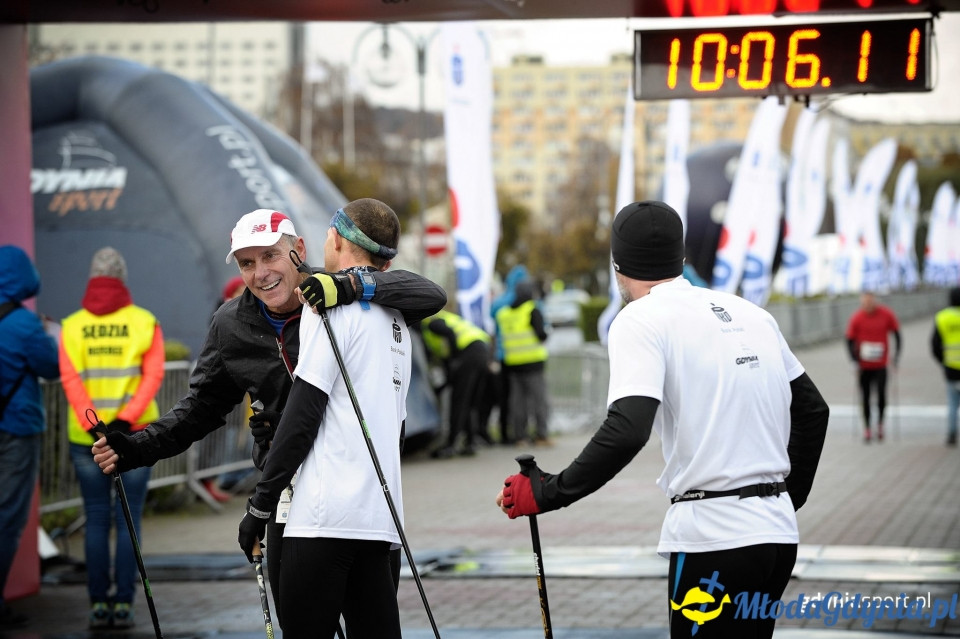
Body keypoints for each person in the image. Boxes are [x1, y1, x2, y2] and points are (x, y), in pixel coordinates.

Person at [92, 207, 446, 627]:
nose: (261, 273)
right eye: (247, 263)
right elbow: (199, 410)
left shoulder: (331, 294)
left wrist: (350, 284)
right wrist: (133, 448)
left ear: (298, 250)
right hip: (288, 499)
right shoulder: (230, 324)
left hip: (366, 503)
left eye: (270, 257)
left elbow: (426, 293)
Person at [495, 201, 830, 639]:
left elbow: (628, 428)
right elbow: (812, 411)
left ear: (618, 265)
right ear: (682, 257)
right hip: (776, 535)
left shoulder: (639, 318)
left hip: (712, 536)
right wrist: (780, 503)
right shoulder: (752, 314)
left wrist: (551, 491)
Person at [236, 199, 410, 638]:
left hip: (321, 521)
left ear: (335, 238)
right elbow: (398, 428)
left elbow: (304, 413)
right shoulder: (398, 319)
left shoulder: (325, 302)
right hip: (379, 521)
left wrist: (260, 504)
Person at [59, 247, 165, 630]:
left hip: (84, 437)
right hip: (134, 438)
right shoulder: (145, 322)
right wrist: (123, 421)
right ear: (122, 278)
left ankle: (97, 606)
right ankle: (124, 605)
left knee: (97, 519)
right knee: (128, 520)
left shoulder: (71, 326)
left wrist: (94, 426)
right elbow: (152, 376)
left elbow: (71, 381)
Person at [0, 246, 60, 630]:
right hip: (17, 429)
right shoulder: (23, 324)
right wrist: (47, 333)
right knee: (7, 516)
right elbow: (51, 367)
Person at [420, 309, 492, 458]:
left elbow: (450, 334)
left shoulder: (430, 323)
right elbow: (445, 357)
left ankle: (451, 445)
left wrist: (455, 360)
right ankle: (470, 442)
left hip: (469, 352)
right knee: (469, 399)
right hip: (482, 349)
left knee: (459, 400)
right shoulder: (444, 317)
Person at [495, 279, 551, 446]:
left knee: (518, 403)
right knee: (539, 401)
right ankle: (541, 435)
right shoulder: (532, 310)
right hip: (533, 363)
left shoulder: (503, 314)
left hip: (512, 364)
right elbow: (541, 334)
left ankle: (520, 436)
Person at [845, 291, 901, 442]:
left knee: (882, 394)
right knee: (866, 396)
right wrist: (853, 361)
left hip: (881, 364)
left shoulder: (886, 314)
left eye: (870, 302)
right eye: (865, 303)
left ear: (875, 302)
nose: (868, 306)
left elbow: (896, 333)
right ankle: (867, 428)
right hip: (864, 365)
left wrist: (896, 356)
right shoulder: (857, 317)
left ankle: (880, 424)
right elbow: (849, 340)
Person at [486, 265, 531, 444]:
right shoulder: (526, 300)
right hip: (523, 358)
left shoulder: (499, 302)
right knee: (520, 398)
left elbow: (492, 320)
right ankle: (518, 432)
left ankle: (505, 432)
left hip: (502, 355)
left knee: (504, 397)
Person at [931, 287, 960, 446]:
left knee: (953, 404)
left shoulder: (943, 317)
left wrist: (942, 361)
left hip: (951, 368)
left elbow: (935, 345)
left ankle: (952, 434)